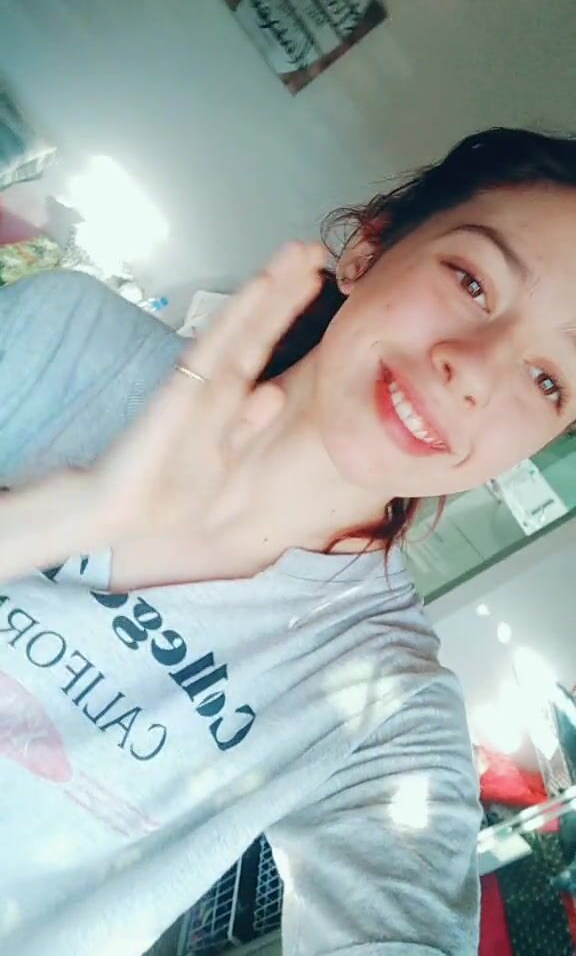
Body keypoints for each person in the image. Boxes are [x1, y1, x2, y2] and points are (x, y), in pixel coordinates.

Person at [1, 126, 576, 956]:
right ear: (368, 250)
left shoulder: (390, 707)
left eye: (549, 380)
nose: (477, 371)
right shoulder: (66, 339)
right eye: (472, 281)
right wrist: (65, 516)